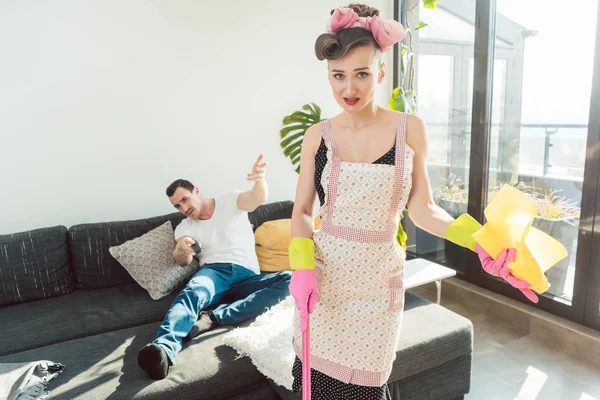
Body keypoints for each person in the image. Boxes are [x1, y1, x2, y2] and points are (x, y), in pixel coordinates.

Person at [287, 4, 537, 399]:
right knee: (314, 385)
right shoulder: (319, 137)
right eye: (338, 76)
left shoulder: (409, 130)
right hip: (324, 280)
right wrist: (302, 267)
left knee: (365, 390)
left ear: (381, 73)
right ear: (328, 76)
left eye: (361, 75)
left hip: (376, 286)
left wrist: (483, 240)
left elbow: (424, 209)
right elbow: (302, 211)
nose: (348, 89)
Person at [137, 155, 292, 380]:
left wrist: (260, 181)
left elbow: (255, 198)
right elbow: (182, 259)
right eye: (178, 206)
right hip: (214, 274)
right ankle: (164, 349)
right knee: (193, 292)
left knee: (290, 279)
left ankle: (214, 318)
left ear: (196, 191)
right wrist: (182, 247)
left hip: (248, 275)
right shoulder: (184, 226)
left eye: (185, 199)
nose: (184, 207)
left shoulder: (229, 200)